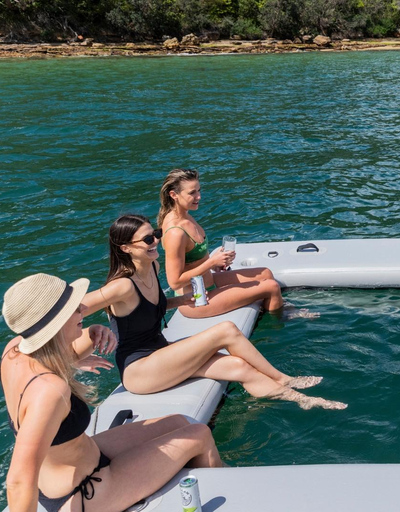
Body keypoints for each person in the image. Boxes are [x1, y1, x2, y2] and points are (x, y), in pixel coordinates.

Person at [1, 273, 224, 512]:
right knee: (199, 435)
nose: (83, 309)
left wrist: (91, 333)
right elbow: (17, 481)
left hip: (85, 457)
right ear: (55, 323)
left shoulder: (13, 351)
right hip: (85, 492)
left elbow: (51, 357)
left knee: (180, 421)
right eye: (74, 308)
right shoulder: (50, 391)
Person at [82, 214, 346, 410]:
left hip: (160, 352)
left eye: (157, 234)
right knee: (226, 331)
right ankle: (284, 379)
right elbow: (70, 310)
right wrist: (80, 347)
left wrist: (181, 300)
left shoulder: (152, 267)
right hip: (139, 371)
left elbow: (150, 308)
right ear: (126, 248)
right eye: (148, 239)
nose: (156, 242)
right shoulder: (121, 286)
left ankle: (302, 400)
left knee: (239, 366)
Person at [158, 168, 283, 319]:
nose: (199, 196)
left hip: (208, 281)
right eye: (192, 193)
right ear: (174, 195)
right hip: (197, 298)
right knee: (272, 287)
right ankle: (279, 324)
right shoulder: (175, 232)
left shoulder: (185, 216)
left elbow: (192, 260)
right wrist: (211, 262)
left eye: (199, 190)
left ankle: (272, 306)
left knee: (266, 273)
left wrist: (217, 264)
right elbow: (175, 282)